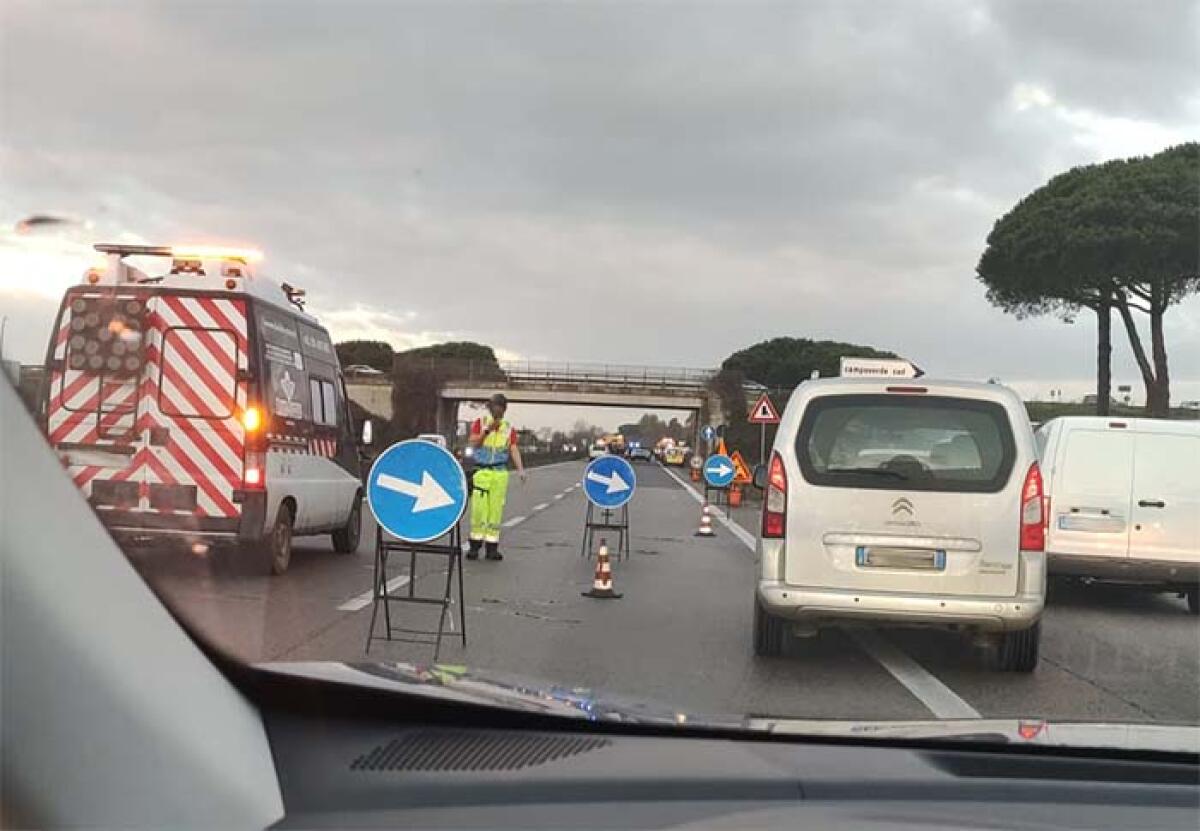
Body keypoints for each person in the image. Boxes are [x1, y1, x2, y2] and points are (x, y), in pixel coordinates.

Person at [465, 394, 526, 560]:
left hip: (499, 474)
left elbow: (513, 449)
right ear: (490, 408)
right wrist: (487, 430)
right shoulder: (480, 423)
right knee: (479, 511)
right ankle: (475, 546)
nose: (497, 410)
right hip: (482, 472)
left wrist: (521, 470)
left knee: (495, 512)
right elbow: (474, 443)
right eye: (495, 406)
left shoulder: (508, 428)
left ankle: (492, 547)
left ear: (504, 409)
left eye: (500, 407)